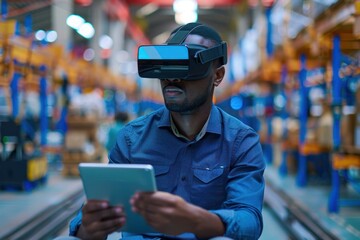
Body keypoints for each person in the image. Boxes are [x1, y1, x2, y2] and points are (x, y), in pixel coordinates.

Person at [68, 22, 265, 240]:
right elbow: (95, 214)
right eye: (167, 66)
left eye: (187, 67)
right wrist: (89, 228)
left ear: (217, 76)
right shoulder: (132, 139)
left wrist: (197, 221)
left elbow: (249, 221)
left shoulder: (241, 142)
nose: (172, 78)